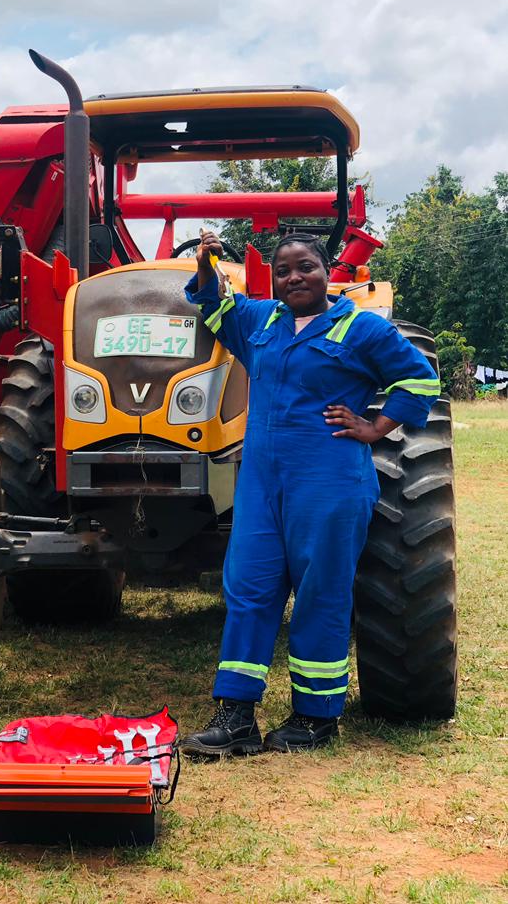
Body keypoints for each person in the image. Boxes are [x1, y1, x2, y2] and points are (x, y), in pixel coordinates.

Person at [180, 231, 440, 754]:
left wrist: (373, 428)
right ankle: (235, 717)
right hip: (261, 483)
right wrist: (207, 261)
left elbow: (421, 379)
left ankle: (315, 716)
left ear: (327, 272)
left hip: (329, 483)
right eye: (283, 270)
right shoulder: (261, 322)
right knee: (248, 587)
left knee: (320, 593)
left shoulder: (361, 328)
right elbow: (211, 305)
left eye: (305, 267)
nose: (294, 277)